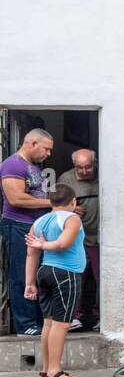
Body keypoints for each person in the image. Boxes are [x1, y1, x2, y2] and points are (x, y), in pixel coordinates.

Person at [23, 184, 84, 377]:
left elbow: (31, 254)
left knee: (49, 323)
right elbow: (63, 243)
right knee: (61, 323)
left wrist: (29, 283)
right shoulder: (71, 218)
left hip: (45, 272)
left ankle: (46, 368)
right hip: (65, 273)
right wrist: (44, 245)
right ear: (73, 201)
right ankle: (55, 372)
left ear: (50, 202)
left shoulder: (39, 221)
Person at [2, 129, 54, 335]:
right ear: (32, 143)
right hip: (17, 225)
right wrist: (52, 203)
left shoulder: (31, 167)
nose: (48, 154)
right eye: (46, 149)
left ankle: (38, 321)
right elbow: (16, 199)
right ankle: (26, 324)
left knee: (36, 274)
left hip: (33, 226)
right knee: (22, 274)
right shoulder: (13, 164)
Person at [57, 148, 99, 331]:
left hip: (100, 239)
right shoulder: (66, 180)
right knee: (75, 279)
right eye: (79, 168)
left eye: (88, 167)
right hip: (77, 240)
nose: (84, 171)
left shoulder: (106, 174)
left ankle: (99, 317)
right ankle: (75, 317)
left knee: (101, 280)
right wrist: (69, 209)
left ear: (94, 164)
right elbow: (55, 206)